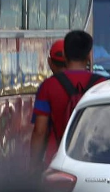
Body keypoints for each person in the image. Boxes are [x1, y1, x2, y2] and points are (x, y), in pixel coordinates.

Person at [31, 30, 105, 168]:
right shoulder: (102, 85)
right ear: (89, 55)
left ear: (64, 54)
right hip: (94, 161)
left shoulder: (48, 86)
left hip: (56, 161)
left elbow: (40, 131)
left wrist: (33, 167)